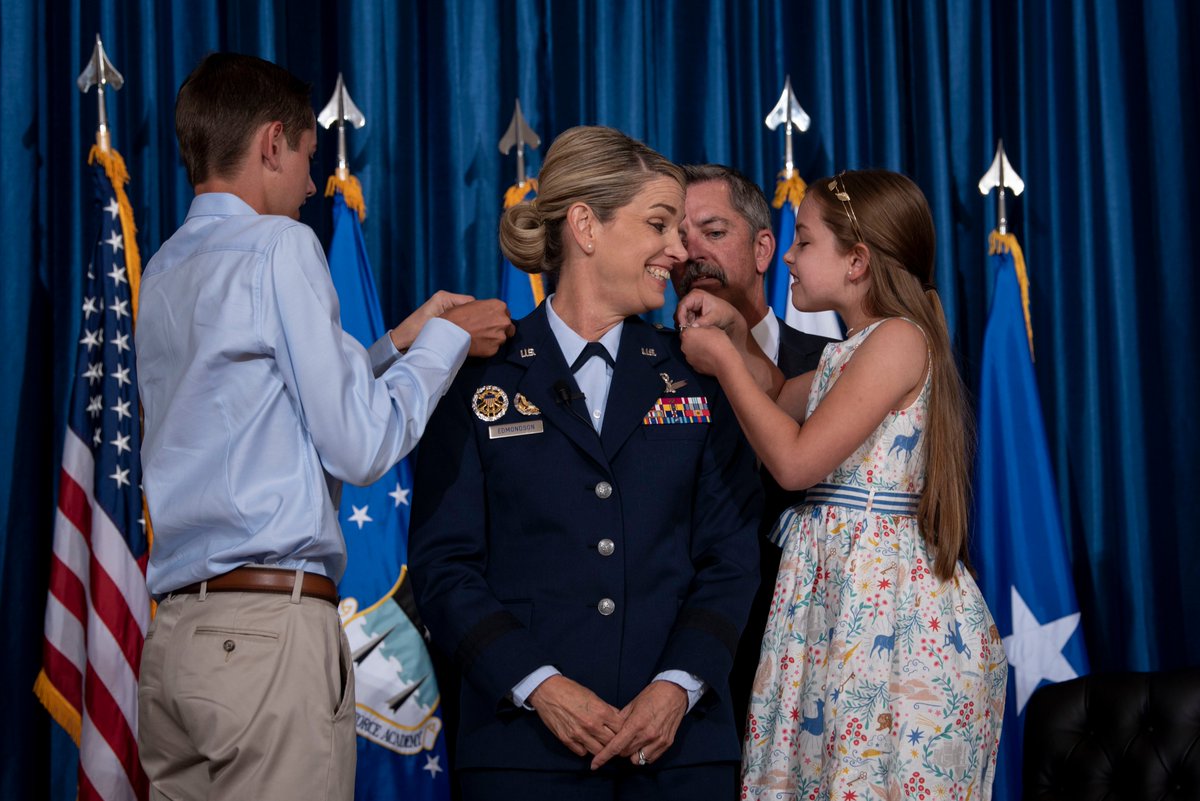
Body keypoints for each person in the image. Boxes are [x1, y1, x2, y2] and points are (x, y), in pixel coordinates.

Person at [135, 53, 513, 801]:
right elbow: (360, 446)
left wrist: (396, 343)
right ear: (272, 143)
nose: (313, 185)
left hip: (176, 643)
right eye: (308, 158)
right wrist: (448, 341)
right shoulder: (281, 244)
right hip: (266, 640)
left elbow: (262, 407)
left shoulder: (165, 267)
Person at [408, 126, 763, 801]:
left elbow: (732, 557)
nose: (680, 250)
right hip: (523, 756)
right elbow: (444, 565)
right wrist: (540, 685)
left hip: (679, 757)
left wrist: (676, 686)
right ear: (585, 227)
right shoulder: (476, 377)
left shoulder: (698, 375)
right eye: (659, 224)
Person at [677, 170, 1007, 800]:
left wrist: (721, 361)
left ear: (857, 261)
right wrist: (736, 334)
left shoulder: (899, 340)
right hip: (836, 604)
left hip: (888, 617)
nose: (789, 257)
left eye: (803, 241)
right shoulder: (849, 350)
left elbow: (795, 463)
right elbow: (779, 394)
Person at [671, 163, 834, 741]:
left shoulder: (837, 363)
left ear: (765, 249)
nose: (692, 251)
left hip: (815, 649)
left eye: (713, 232)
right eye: (677, 235)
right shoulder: (644, 367)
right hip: (679, 663)